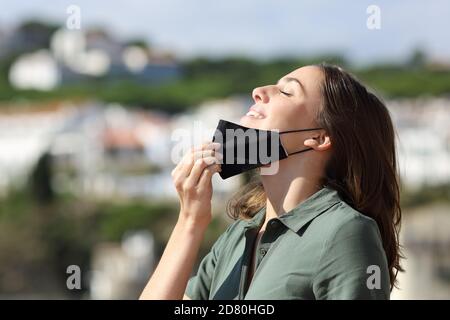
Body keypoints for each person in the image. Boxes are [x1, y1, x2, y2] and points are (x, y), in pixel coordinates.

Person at [139, 63, 403, 300]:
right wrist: (190, 220)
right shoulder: (238, 236)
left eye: (287, 92)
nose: (257, 91)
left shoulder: (344, 232)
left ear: (319, 138)